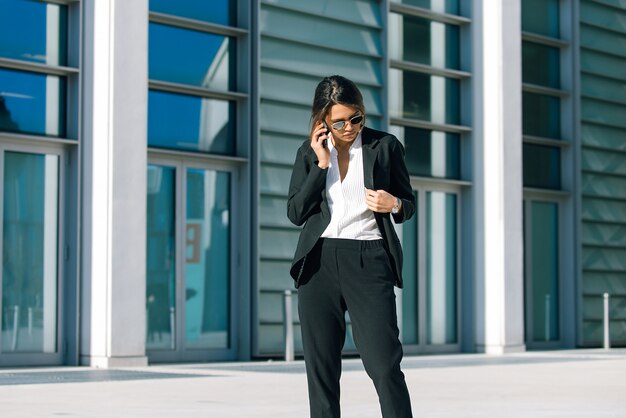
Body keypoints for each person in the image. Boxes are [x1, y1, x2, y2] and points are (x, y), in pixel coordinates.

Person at [287, 75, 415, 418]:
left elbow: (408, 203)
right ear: (322, 121)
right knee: (322, 372)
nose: (349, 127)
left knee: (384, 364)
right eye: (339, 121)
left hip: (369, 259)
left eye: (356, 118)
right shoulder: (308, 152)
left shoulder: (385, 147)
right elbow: (296, 213)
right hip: (319, 263)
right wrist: (321, 165)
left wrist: (395, 204)